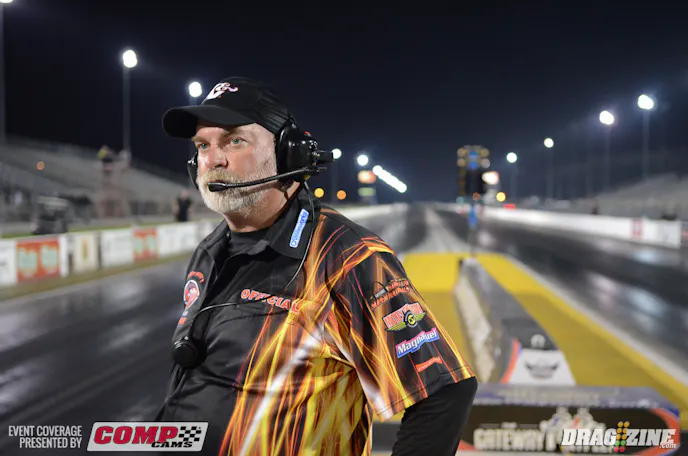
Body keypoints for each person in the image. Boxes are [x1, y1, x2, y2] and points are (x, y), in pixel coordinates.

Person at [155, 76, 477, 456]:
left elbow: (443, 392)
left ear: (287, 153)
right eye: (203, 145)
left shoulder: (347, 257)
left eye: (234, 141)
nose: (213, 160)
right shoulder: (210, 250)